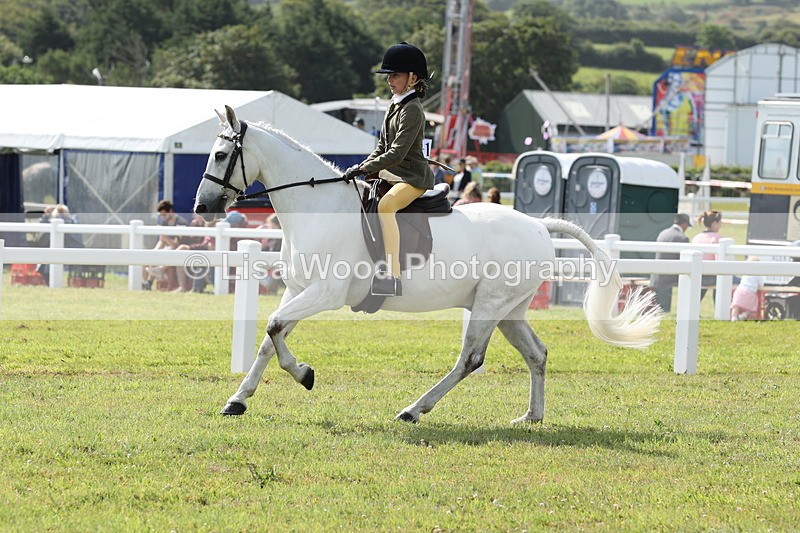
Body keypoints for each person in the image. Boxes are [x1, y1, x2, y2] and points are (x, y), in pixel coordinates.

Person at [343, 42, 434, 297]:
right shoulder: (394, 104)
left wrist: (365, 168)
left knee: (386, 206)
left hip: (412, 178)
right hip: (391, 175)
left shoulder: (413, 109)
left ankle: (392, 276)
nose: (390, 80)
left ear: (412, 78)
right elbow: (381, 146)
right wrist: (361, 166)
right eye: (389, 76)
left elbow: (396, 153)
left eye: (395, 75)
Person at [650, 213, 692, 312]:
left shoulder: (663, 233)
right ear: (685, 224)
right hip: (670, 277)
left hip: (657, 276)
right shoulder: (682, 238)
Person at [143, 200, 188, 290]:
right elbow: (161, 241)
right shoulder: (164, 222)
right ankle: (148, 282)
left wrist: (165, 237)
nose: (163, 217)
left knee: (168, 251)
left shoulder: (180, 223)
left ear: (170, 211)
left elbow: (176, 245)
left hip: (179, 249)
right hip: (167, 248)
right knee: (152, 256)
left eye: (164, 214)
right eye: (161, 215)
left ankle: (156, 273)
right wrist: (154, 252)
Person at [691, 210, 723, 302]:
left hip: (697, 274)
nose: (721, 224)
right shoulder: (718, 238)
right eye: (719, 222)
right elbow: (719, 261)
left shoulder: (696, 238)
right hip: (711, 276)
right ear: (714, 223)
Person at [730, 257, 764, 321]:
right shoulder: (757, 273)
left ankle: (733, 317)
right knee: (752, 308)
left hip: (739, 290)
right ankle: (742, 316)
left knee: (736, 306)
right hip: (749, 293)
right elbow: (761, 284)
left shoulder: (745, 272)